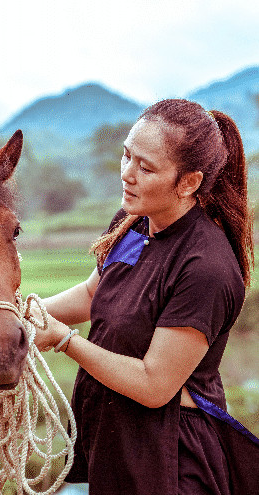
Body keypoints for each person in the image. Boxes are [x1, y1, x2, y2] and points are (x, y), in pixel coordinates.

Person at [33, 99, 259, 494]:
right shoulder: (134, 223)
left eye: (146, 167)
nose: (127, 175)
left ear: (189, 182)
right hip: (114, 439)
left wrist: (65, 341)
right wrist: (21, 313)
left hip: (169, 459)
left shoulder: (206, 267)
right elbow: (93, 294)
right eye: (126, 156)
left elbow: (155, 385)